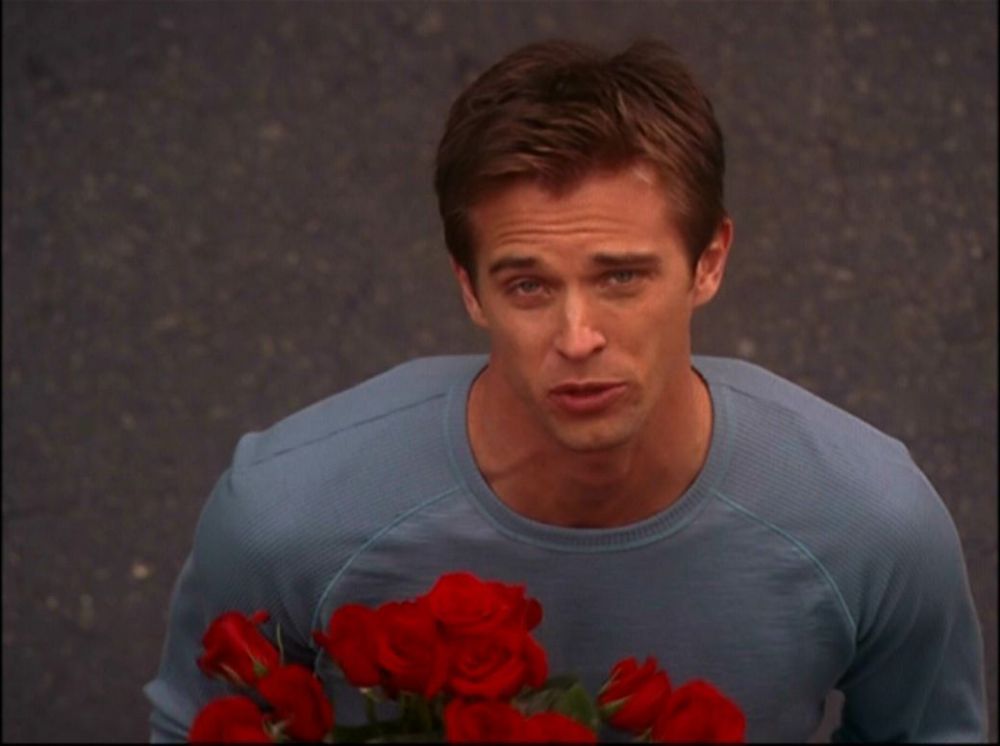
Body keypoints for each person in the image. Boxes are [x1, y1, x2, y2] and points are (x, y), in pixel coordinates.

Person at [144, 39, 986, 742]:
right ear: (470, 290)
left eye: (622, 277)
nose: (578, 337)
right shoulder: (287, 517)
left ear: (709, 263)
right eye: (528, 286)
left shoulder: (871, 523)